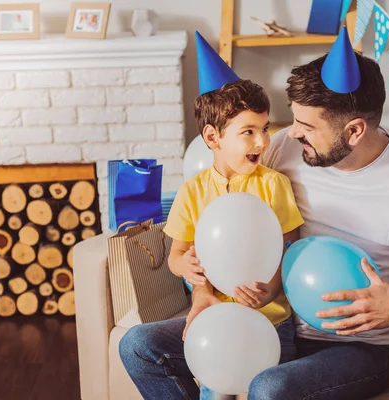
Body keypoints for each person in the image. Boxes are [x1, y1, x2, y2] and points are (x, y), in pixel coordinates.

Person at [191, 27, 389, 399]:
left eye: (306, 127)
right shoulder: (284, 149)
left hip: (361, 349)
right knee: (141, 346)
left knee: (269, 387)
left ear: (354, 131)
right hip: (278, 324)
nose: (291, 134)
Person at [119, 31, 304, 400]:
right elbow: (176, 255)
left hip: (269, 322)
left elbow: (290, 251)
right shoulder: (193, 192)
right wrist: (188, 272)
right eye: (248, 132)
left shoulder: (274, 185)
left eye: (264, 129)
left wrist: (270, 289)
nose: (262, 142)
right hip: (214, 320)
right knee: (213, 391)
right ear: (212, 137)